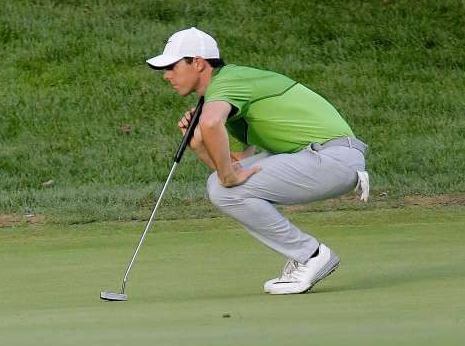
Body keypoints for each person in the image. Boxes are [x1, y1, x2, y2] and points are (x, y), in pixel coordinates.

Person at [146, 28, 369, 294]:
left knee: (223, 186)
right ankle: (305, 255)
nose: (167, 75)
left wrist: (221, 159)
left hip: (333, 157)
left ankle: (311, 255)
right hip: (316, 158)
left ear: (197, 63)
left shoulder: (229, 80)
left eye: (172, 66)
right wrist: (198, 145)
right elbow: (234, 169)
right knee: (221, 187)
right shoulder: (227, 99)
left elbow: (212, 127)